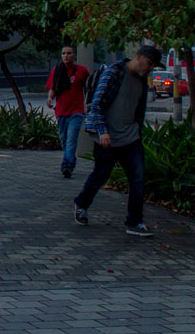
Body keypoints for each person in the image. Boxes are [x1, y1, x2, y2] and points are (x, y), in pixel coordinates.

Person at [73, 45, 164, 237]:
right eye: (149, 63)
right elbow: (95, 104)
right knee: (100, 175)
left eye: (153, 66)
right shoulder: (114, 73)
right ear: (138, 57)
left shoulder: (141, 81)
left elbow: (139, 110)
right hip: (107, 138)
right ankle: (81, 204)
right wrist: (102, 131)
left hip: (130, 138)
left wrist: (138, 131)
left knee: (138, 178)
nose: (150, 68)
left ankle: (134, 222)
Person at [45, 45, 90, 178]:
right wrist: (50, 98)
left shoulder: (82, 71)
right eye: (63, 53)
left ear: (74, 55)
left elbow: (88, 88)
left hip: (76, 112)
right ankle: (70, 160)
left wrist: (88, 104)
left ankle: (67, 166)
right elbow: (53, 87)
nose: (66, 56)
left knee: (71, 140)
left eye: (69, 53)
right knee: (64, 140)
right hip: (61, 111)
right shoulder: (56, 71)